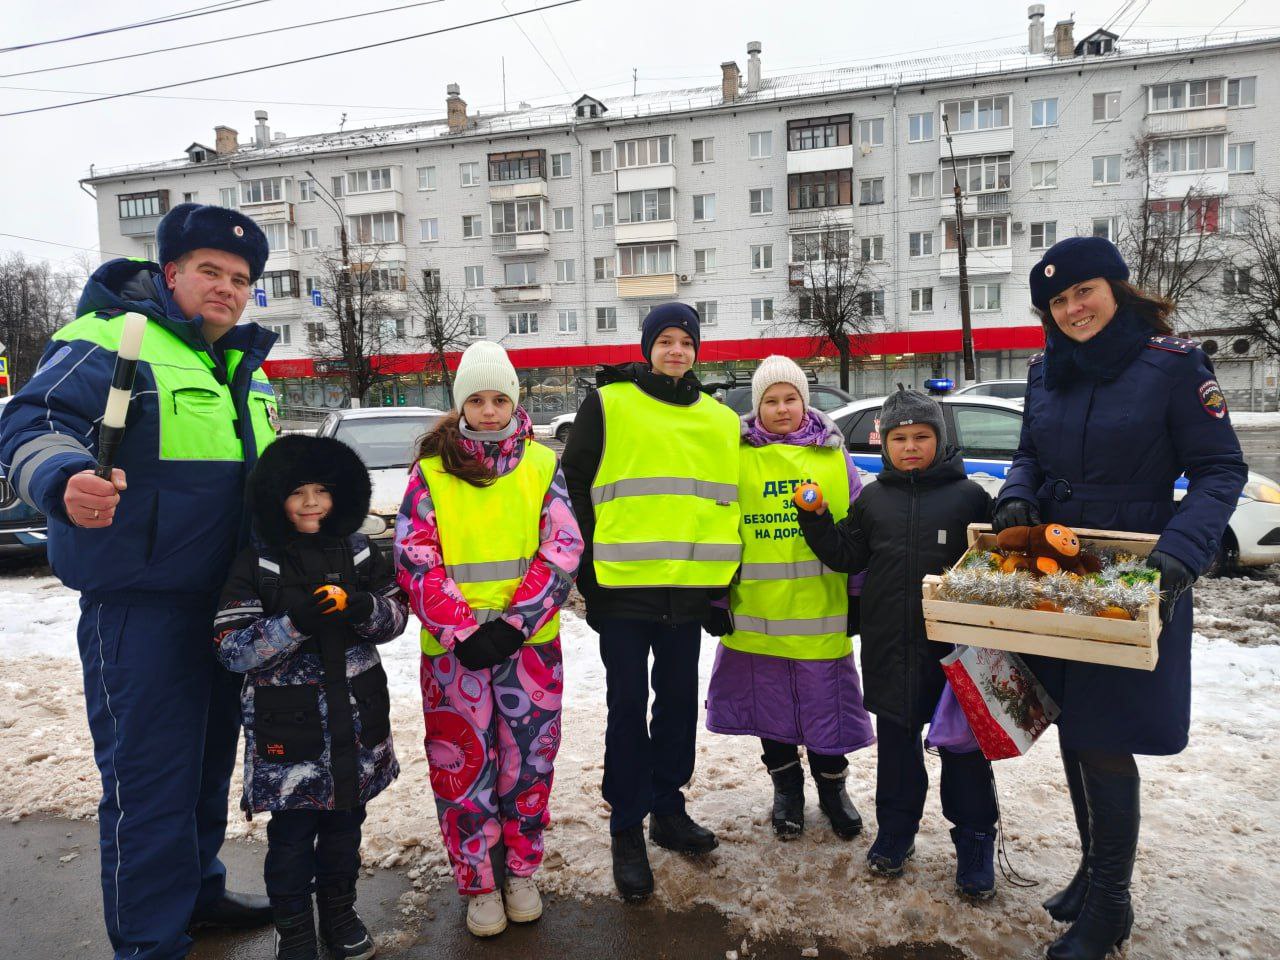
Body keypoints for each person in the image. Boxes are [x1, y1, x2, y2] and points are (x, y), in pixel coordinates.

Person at [0, 203, 279, 958]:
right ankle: (150, 942)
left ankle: (198, 892)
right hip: (141, 608)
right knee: (148, 782)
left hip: (228, 608)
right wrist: (62, 480)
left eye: (240, 278)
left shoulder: (242, 367)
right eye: (210, 272)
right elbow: (31, 422)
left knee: (207, 768)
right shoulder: (107, 338)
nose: (226, 288)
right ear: (171, 272)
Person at [994, 236, 1247, 960]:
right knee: (1074, 727)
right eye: (1057, 301)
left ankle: (1111, 906)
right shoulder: (1046, 370)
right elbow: (1028, 455)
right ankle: (1091, 872)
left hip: (1136, 571)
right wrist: (1016, 499)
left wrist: (1180, 554)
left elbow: (1220, 470)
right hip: (1058, 571)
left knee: (1106, 736)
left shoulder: (1173, 366)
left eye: (1084, 292)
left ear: (1116, 288)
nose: (1073, 309)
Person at [394, 341, 582, 938]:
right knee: (464, 770)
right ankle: (478, 882)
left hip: (528, 651)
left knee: (528, 764)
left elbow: (563, 548)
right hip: (456, 657)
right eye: (477, 400)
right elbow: (415, 557)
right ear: (461, 405)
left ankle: (520, 872)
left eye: (500, 399)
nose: (490, 410)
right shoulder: (431, 471)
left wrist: (513, 624)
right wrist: (461, 631)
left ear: (514, 401)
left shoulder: (542, 465)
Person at [560, 302, 741, 901]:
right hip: (623, 587)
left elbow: (727, 501)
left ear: (697, 351)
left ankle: (668, 807)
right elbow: (575, 484)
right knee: (627, 706)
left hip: (688, 589)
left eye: (686, 341)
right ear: (647, 347)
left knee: (678, 704)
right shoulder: (609, 403)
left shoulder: (719, 418)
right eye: (665, 340)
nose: (676, 350)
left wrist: (721, 587)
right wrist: (587, 567)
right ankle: (626, 825)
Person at [796, 387, 1000, 900]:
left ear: (940, 440)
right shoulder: (873, 499)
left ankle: (975, 841)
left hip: (955, 652)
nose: (910, 447)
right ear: (884, 444)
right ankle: (895, 831)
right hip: (890, 646)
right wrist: (816, 520)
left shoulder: (969, 498)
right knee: (897, 749)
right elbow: (847, 555)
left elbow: (994, 567)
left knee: (963, 750)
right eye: (899, 438)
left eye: (921, 437)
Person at [215, 435, 407, 960]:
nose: (310, 503)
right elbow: (232, 649)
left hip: (357, 723)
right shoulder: (258, 562)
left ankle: (340, 913)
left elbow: (396, 618)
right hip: (289, 737)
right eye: (297, 492)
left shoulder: (361, 550)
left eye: (321, 490)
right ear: (275, 498)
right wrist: (294, 622)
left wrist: (361, 608)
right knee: (292, 838)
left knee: (345, 829)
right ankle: (294, 925)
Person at [704, 356, 875, 840]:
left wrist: (857, 595)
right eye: (771, 400)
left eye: (790, 398)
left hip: (821, 612)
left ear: (805, 401)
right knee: (770, 707)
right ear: (757, 407)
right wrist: (715, 598)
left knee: (826, 707)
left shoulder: (833, 455)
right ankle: (787, 790)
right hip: (756, 614)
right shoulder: (736, 456)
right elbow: (719, 529)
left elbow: (859, 529)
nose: (782, 409)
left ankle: (834, 790)